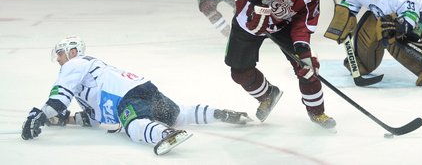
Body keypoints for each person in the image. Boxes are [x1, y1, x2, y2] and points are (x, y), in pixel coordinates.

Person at [21, 35, 251, 156]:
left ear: (73, 51)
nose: (59, 59)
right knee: (178, 113)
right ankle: (220, 114)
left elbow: (59, 98)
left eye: (61, 53)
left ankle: (166, 134)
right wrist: (65, 119)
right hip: (144, 87)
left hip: (126, 97)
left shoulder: (75, 64)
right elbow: (93, 117)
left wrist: (40, 116)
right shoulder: (89, 76)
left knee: (133, 126)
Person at [224, 0, 336, 129]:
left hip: (282, 25)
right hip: (249, 21)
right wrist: (258, 5)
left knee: (307, 66)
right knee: (239, 72)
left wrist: (302, 49)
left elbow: (303, 23)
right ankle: (267, 95)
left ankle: (318, 112)